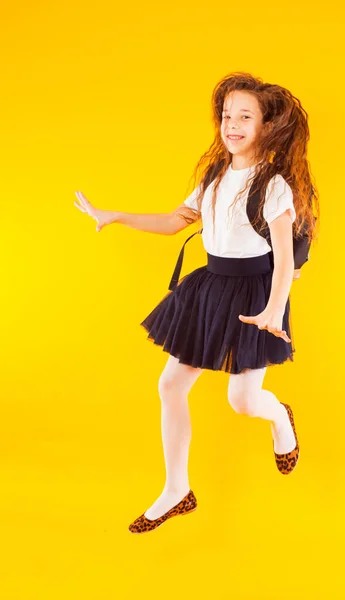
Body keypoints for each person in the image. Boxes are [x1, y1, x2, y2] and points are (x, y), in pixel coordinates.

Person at [74, 71, 320, 534]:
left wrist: (273, 307)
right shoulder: (214, 175)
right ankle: (177, 488)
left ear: (267, 126)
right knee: (170, 385)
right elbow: (174, 222)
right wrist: (116, 216)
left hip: (256, 294)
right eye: (227, 115)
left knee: (244, 402)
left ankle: (279, 418)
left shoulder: (274, 186)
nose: (232, 124)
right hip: (209, 287)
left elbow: (284, 260)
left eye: (245, 116)